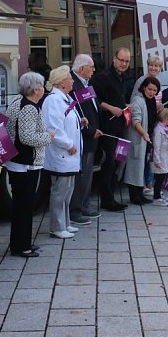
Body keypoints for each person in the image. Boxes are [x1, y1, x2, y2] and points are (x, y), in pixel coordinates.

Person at [4, 72, 54, 256]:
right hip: (25, 164)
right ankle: (21, 246)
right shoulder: (29, 108)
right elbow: (26, 137)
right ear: (34, 89)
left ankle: (21, 243)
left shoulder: (17, 102)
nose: (44, 89)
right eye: (42, 85)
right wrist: (48, 137)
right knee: (24, 207)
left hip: (17, 162)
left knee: (21, 207)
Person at [41, 66, 83, 239]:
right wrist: (68, 144)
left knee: (67, 191)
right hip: (62, 154)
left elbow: (67, 120)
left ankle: (65, 223)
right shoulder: (53, 100)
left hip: (70, 156)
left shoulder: (65, 98)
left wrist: (81, 121)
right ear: (61, 82)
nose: (73, 81)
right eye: (70, 78)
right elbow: (53, 127)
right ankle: (57, 226)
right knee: (59, 191)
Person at [92, 48, 132, 211]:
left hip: (119, 125)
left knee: (116, 161)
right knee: (108, 163)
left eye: (127, 61)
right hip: (107, 127)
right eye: (121, 60)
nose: (123, 64)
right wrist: (111, 108)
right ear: (114, 59)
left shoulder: (122, 78)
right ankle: (107, 200)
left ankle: (112, 198)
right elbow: (94, 99)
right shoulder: (103, 77)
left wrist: (124, 106)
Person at [69, 54, 103, 226]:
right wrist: (90, 130)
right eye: (91, 66)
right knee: (82, 175)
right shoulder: (74, 85)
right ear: (82, 69)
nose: (94, 69)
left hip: (92, 135)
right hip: (84, 137)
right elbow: (75, 113)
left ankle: (84, 205)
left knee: (87, 174)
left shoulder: (86, 84)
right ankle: (78, 208)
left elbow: (93, 108)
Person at [125, 76, 160, 204]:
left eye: (155, 90)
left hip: (147, 139)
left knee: (141, 167)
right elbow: (136, 120)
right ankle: (134, 196)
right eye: (150, 89)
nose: (152, 92)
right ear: (144, 87)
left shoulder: (151, 101)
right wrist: (144, 133)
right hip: (138, 139)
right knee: (135, 168)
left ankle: (139, 194)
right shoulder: (138, 100)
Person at [151, 108, 168, 207]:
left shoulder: (165, 129)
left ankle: (159, 195)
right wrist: (157, 161)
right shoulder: (158, 131)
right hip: (160, 159)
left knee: (162, 178)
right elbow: (156, 147)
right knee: (159, 179)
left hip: (165, 157)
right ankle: (156, 198)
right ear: (165, 118)